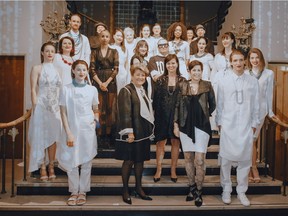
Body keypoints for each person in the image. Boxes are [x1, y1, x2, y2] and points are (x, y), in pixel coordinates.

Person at [216, 50, 260, 207]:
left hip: (245, 126)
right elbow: (219, 104)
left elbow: (256, 105)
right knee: (226, 160)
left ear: (244, 61)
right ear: (231, 62)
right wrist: (219, 123)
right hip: (228, 125)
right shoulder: (224, 81)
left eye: (241, 60)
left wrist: (254, 124)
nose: (239, 63)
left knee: (245, 161)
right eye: (235, 60)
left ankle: (242, 191)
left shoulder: (252, 81)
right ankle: (226, 189)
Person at [174, 60, 216, 207]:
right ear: (189, 71)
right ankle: (191, 187)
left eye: (199, 70)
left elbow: (213, 105)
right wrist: (176, 124)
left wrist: (202, 116)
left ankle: (199, 190)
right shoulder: (182, 85)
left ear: (202, 71)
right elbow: (177, 106)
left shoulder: (207, 85)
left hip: (202, 127)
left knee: (199, 160)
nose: (197, 73)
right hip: (185, 126)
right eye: (194, 70)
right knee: (188, 158)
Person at [58, 60, 99, 206]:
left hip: (87, 129)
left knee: (87, 162)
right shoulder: (66, 89)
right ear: (73, 71)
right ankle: (74, 191)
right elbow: (63, 112)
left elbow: (95, 108)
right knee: (72, 161)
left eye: (84, 70)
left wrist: (95, 122)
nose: (82, 72)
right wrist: (68, 132)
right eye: (79, 69)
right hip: (71, 129)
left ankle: (83, 192)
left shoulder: (92, 89)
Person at [115, 65, 154, 205]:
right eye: (137, 74)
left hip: (142, 132)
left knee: (140, 161)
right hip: (131, 132)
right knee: (129, 161)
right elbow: (125, 113)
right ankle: (125, 190)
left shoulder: (142, 90)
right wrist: (129, 132)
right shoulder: (126, 90)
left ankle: (138, 188)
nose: (140, 77)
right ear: (132, 75)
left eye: (143, 75)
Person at [28, 42, 62, 181]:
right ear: (42, 53)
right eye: (47, 51)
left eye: (52, 51)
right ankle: (42, 166)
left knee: (53, 136)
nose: (49, 53)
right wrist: (35, 105)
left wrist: (60, 106)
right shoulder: (37, 68)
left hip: (54, 107)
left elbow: (60, 89)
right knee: (41, 136)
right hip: (42, 105)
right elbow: (33, 90)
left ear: (54, 53)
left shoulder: (57, 69)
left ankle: (51, 166)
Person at [246, 48, 278, 183]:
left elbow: (269, 93)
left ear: (261, 58)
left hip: (261, 112)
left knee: (252, 140)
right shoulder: (246, 73)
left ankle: (251, 167)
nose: (254, 60)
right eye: (252, 58)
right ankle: (251, 168)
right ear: (249, 59)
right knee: (249, 141)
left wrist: (270, 112)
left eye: (256, 57)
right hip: (246, 111)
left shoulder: (269, 74)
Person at [153, 54, 186, 183]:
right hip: (161, 115)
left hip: (176, 116)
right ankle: (159, 169)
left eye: (173, 63)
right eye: (168, 63)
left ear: (177, 64)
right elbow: (155, 100)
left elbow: (185, 100)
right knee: (160, 143)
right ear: (165, 65)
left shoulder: (183, 80)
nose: (171, 66)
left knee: (175, 142)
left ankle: (173, 169)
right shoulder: (160, 80)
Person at [90, 30, 119, 148]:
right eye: (102, 36)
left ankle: (108, 137)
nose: (105, 38)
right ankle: (99, 137)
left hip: (110, 83)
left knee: (110, 110)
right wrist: (100, 83)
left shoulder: (114, 51)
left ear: (110, 38)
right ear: (99, 37)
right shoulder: (94, 52)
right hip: (97, 82)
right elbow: (91, 69)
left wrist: (106, 83)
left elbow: (116, 69)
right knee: (99, 109)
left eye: (107, 36)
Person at [211, 32, 236, 134]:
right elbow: (214, 71)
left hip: (232, 82)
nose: (225, 41)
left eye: (227, 38)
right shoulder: (218, 56)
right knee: (218, 105)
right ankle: (217, 127)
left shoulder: (236, 54)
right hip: (219, 81)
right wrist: (211, 85)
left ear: (232, 40)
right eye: (223, 39)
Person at [110, 28, 129, 94]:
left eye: (121, 36)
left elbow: (126, 64)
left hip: (122, 74)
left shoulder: (125, 49)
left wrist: (126, 75)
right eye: (118, 35)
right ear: (113, 36)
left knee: (120, 93)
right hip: (111, 72)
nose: (119, 38)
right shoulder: (110, 47)